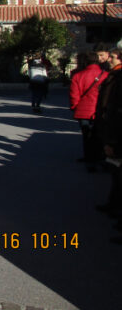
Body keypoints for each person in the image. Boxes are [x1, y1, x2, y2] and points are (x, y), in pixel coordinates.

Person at [93, 48, 122, 241]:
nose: (108, 59)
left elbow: (117, 111)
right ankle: (114, 206)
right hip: (111, 129)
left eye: (111, 57)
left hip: (117, 134)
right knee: (116, 173)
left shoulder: (118, 77)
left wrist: (112, 140)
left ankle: (117, 209)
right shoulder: (114, 75)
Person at [70, 51, 108, 171]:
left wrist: (75, 107)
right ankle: (101, 159)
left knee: (87, 136)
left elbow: (74, 95)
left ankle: (89, 161)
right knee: (100, 136)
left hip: (84, 111)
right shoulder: (106, 75)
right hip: (101, 110)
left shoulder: (78, 76)